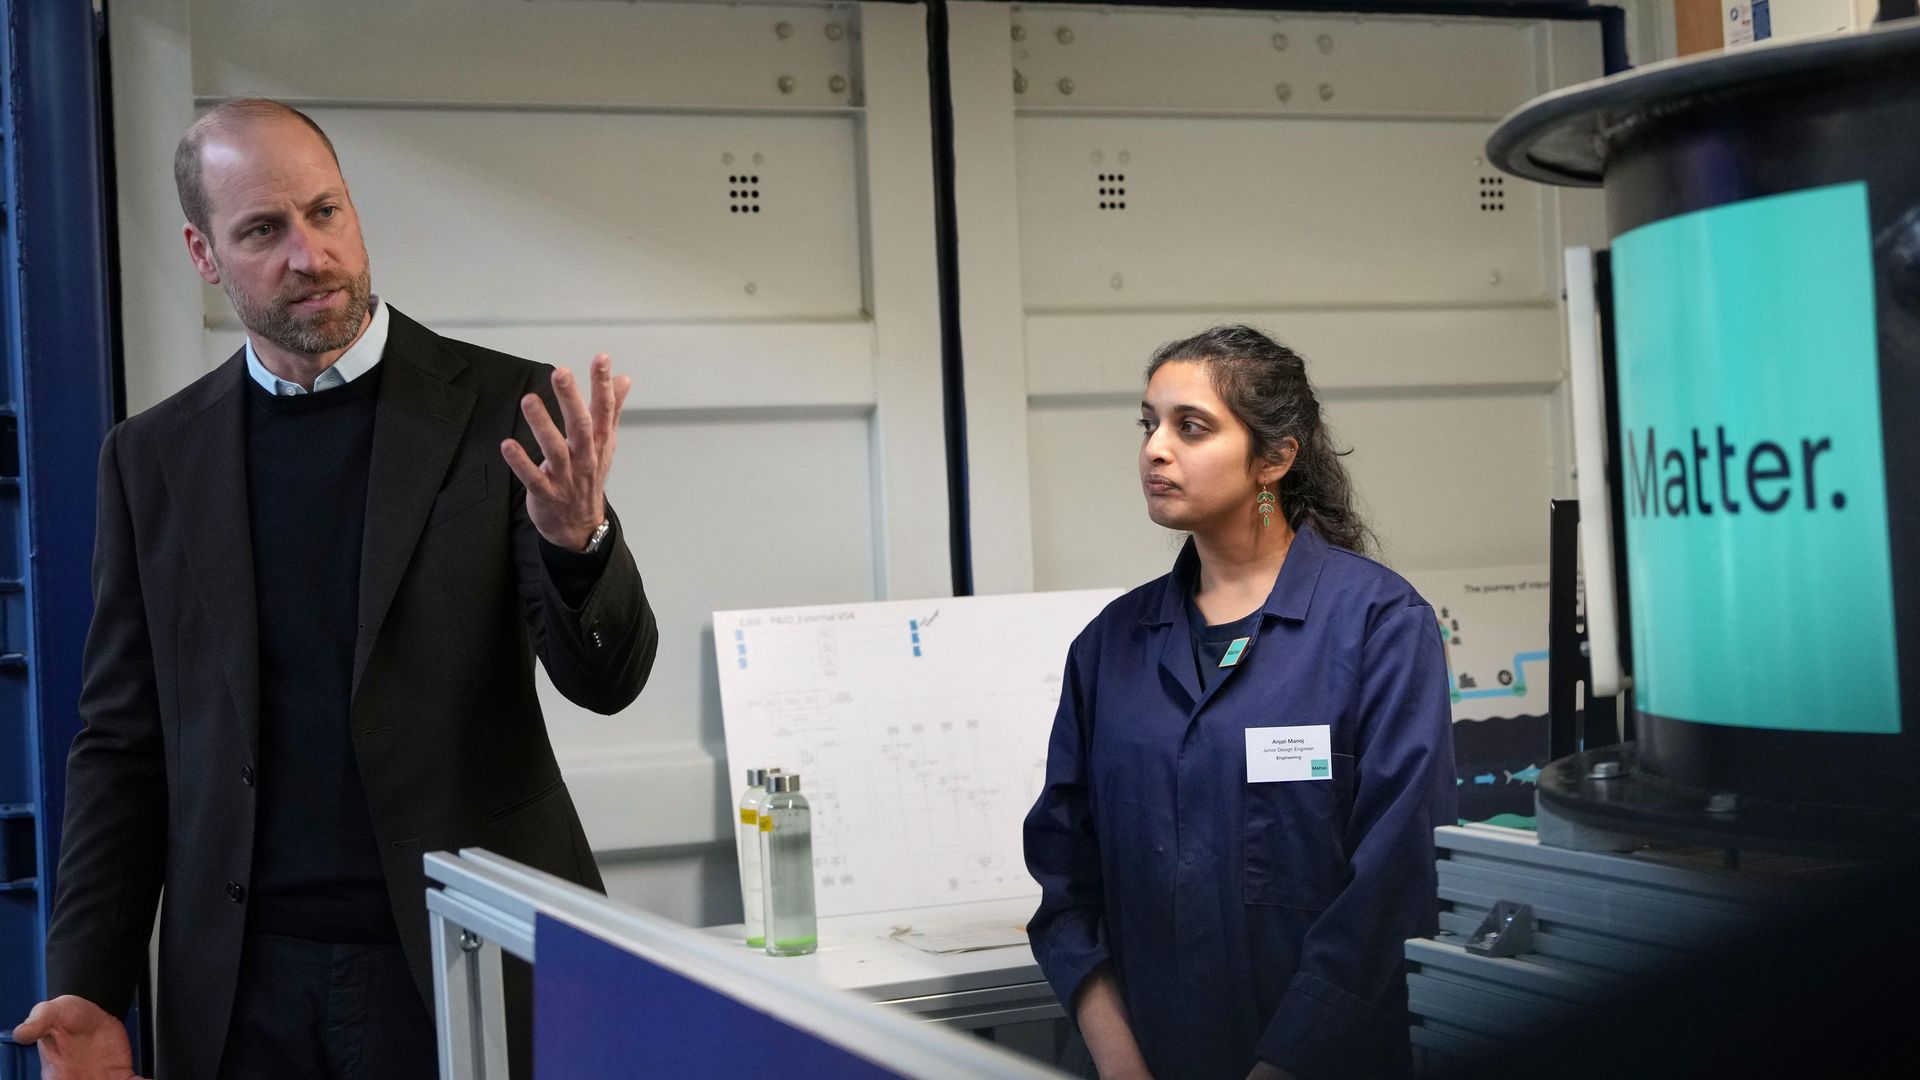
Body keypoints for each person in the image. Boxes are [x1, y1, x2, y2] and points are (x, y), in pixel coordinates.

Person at [10, 99, 659, 1079]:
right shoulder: (151, 461)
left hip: (463, 957)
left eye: (326, 213)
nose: (309, 255)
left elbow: (607, 680)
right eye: (264, 231)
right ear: (203, 251)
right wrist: (90, 987)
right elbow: (121, 742)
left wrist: (581, 544)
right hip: (241, 990)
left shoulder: (503, 409)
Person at [1024, 325, 1456, 1080]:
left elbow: (1394, 887)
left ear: (1276, 458)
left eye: (1190, 427)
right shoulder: (1108, 647)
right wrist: (1120, 1061)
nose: (1156, 448)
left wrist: (1284, 1065)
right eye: (1149, 424)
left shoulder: (1380, 627)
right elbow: (1066, 886)